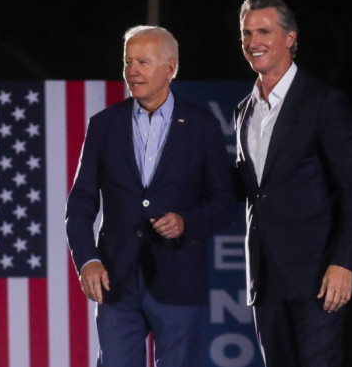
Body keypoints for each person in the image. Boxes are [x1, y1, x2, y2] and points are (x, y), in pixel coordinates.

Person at [65, 25, 234, 367]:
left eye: (142, 61)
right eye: (128, 61)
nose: (132, 71)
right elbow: (80, 205)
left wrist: (188, 222)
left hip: (180, 280)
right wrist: (88, 260)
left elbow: (224, 200)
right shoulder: (103, 125)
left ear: (170, 68)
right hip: (117, 281)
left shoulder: (202, 126)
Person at [233, 0, 352, 367]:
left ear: (290, 38)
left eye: (264, 31)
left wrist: (345, 262)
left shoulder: (323, 102)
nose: (253, 42)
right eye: (247, 33)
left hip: (318, 276)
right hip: (265, 279)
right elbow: (252, 190)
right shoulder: (244, 111)